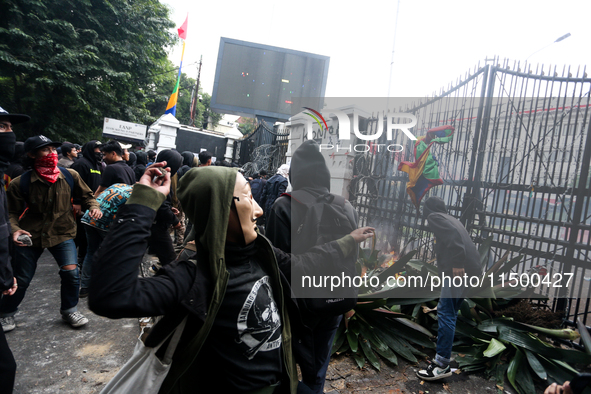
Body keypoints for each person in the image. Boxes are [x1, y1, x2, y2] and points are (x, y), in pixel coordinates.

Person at [89, 164, 374, 393]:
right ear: (219, 208)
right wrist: (143, 204)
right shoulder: (192, 276)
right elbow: (111, 295)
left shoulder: (262, 253)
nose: (259, 210)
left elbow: (303, 263)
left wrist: (348, 241)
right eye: (248, 196)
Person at [266, 140, 359, 393]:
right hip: (334, 299)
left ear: (295, 174)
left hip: (297, 305)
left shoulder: (282, 206)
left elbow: (275, 263)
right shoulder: (345, 206)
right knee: (318, 365)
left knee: (286, 361)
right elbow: (353, 254)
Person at [0, 135, 102, 331]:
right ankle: (6, 312)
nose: (52, 153)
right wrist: (15, 230)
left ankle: (70, 309)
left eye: (54, 149)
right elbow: (9, 213)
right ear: (31, 154)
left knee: (71, 273)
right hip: (30, 236)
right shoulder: (20, 183)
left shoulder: (70, 175)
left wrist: (94, 207)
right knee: (22, 279)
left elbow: (88, 196)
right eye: (46, 149)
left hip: (62, 233)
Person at [416, 196, 481, 381]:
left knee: (446, 312)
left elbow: (453, 237)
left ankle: (441, 364)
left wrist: (457, 263)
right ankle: (444, 358)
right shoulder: (451, 218)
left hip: (460, 270)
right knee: (450, 312)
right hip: (472, 270)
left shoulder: (434, 217)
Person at [0, 106, 27, 393]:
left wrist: (6, 273)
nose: (8, 134)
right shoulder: (18, 180)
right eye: (2, 127)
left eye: (9, 127)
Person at [78, 183, 133, 298]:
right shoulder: (135, 195)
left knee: (91, 251)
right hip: (104, 223)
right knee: (115, 254)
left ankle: (85, 287)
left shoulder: (119, 185)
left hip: (89, 217)